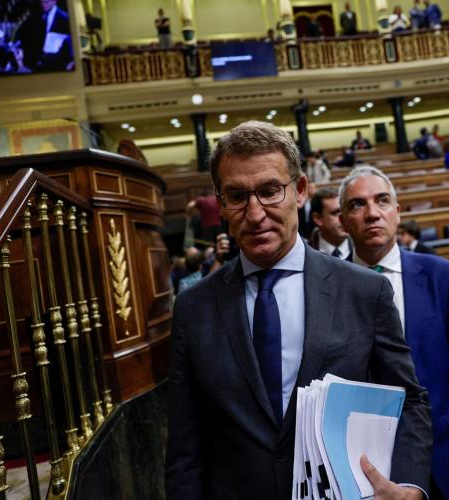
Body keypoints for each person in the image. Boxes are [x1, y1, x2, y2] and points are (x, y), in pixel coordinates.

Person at [166, 122, 433, 499]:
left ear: (301, 190)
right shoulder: (194, 308)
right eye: (238, 196)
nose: (255, 214)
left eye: (270, 191)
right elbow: (184, 444)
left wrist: (408, 486)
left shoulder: (364, 291)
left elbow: (410, 399)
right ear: (221, 203)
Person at [340, 166, 449, 500]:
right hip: (361, 462)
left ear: (397, 212)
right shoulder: (331, 284)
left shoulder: (441, 275)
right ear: (342, 222)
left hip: (443, 452)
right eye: (357, 205)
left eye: (382, 201)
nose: (372, 213)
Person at [308, 188, 352, 260]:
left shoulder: (364, 248)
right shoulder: (304, 255)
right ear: (318, 219)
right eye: (336, 213)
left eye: (345, 211)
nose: (344, 218)